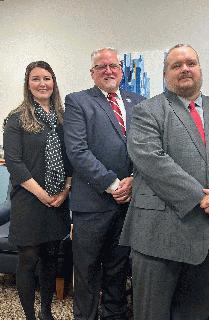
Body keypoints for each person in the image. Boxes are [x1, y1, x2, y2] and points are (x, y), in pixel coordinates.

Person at [120, 44, 209, 320]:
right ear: (165, 74)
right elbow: (150, 159)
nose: (185, 68)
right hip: (159, 235)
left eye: (190, 63)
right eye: (176, 65)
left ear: (200, 69)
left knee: (196, 314)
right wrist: (202, 197)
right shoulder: (147, 110)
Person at [63, 47, 145, 320]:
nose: (108, 71)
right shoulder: (77, 101)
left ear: (121, 70)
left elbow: (147, 148)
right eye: (102, 67)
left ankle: (114, 314)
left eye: (113, 66)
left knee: (118, 268)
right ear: (92, 73)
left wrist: (134, 180)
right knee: (86, 271)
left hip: (128, 205)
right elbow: (77, 151)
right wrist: (112, 184)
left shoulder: (139, 102)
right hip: (93, 204)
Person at [3, 61, 72, 320]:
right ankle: (30, 316)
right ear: (27, 84)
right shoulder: (17, 118)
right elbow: (14, 163)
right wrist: (43, 194)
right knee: (28, 260)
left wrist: (64, 191)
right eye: (36, 79)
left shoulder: (63, 118)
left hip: (58, 200)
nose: (42, 83)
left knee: (51, 258)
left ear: (54, 82)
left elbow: (70, 158)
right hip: (29, 201)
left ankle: (46, 312)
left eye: (47, 78)